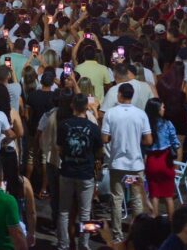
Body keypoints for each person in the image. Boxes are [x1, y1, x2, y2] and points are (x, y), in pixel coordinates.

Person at [101, 83, 152, 241]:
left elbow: (105, 138)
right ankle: (137, 234)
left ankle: (117, 235)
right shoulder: (141, 114)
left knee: (116, 199)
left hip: (117, 165)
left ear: (120, 95)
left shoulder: (110, 113)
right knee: (136, 199)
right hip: (135, 165)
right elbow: (148, 140)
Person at [56, 92, 102, 250]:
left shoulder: (63, 125)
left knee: (64, 211)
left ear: (72, 106)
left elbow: (59, 149)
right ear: (87, 108)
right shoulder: (94, 128)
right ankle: (84, 244)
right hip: (86, 173)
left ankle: (63, 244)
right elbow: (99, 153)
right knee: (85, 212)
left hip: (67, 171)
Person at [144, 97, 180, 218]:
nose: (164, 109)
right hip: (166, 160)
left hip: (152, 161)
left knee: (154, 194)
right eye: (162, 107)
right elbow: (176, 143)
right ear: (157, 110)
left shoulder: (146, 126)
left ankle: (154, 223)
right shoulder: (167, 124)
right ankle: (171, 224)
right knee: (168, 195)